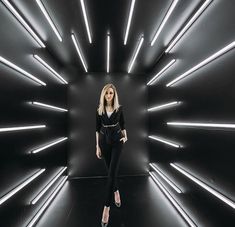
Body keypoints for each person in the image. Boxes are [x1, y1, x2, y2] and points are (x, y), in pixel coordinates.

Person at [96, 83, 128, 227]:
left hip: (117, 141)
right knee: (110, 172)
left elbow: (123, 123)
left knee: (111, 174)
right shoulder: (99, 110)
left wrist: (125, 136)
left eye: (111, 93)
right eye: (107, 93)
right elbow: (96, 129)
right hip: (104, 142)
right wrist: (97, 146)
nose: (109, 95)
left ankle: (106, 208)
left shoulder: (119, 108)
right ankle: (116, 191)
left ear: (114, 95)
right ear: (103, 94)